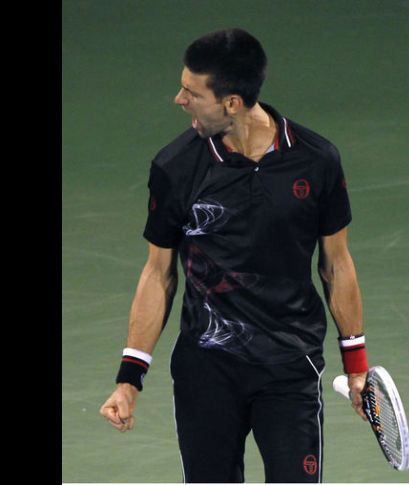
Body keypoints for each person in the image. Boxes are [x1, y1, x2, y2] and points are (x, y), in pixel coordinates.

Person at [99, 28, 369, 483]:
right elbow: (158, 273)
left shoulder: (316, 160)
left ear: (231, 103)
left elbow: (335, 264)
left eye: (192, 91)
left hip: (289, 366)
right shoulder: (176, 167)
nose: (179, 99)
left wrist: (357, 366)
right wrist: (130, 379)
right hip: (207, 371)